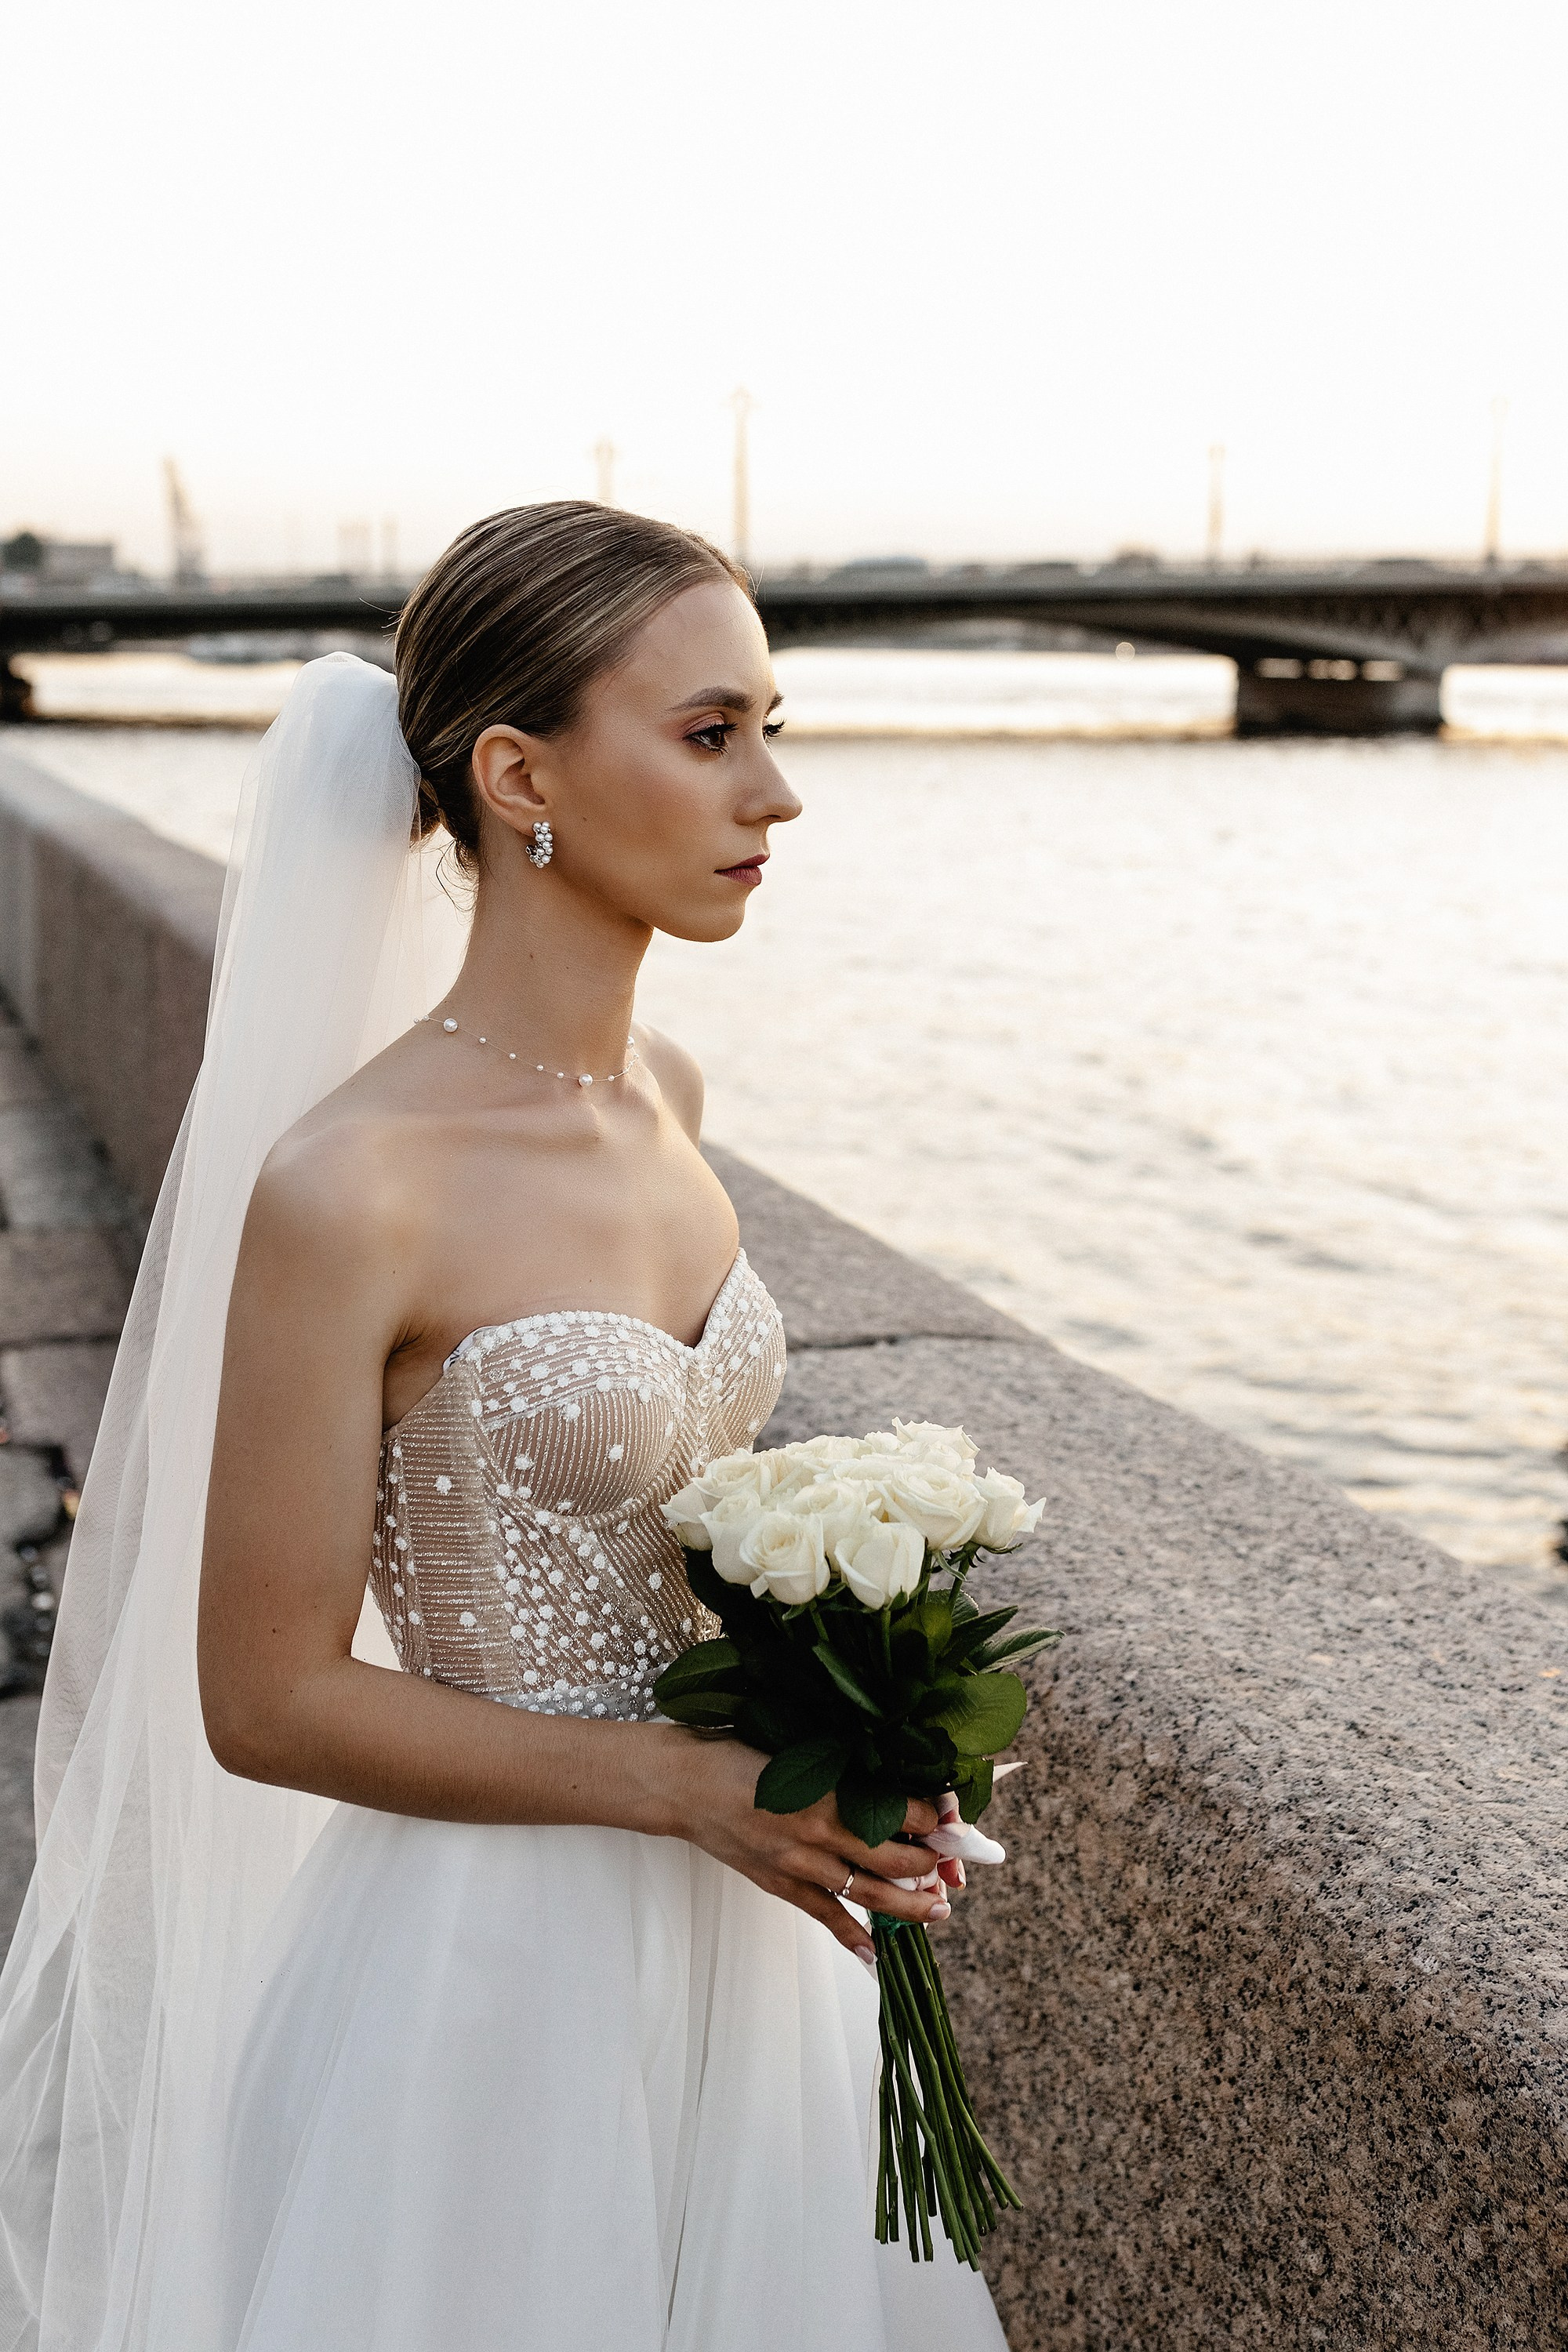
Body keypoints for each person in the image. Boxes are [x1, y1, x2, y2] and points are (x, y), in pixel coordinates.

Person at [0, 503, 1009, 2350]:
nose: (774, 795)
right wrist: (685, 1790)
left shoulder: (671, 1092)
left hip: (755, 1938)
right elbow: (265, 1694)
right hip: (488, 1978)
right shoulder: (349, 1187)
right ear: (519, 772)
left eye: (771, 726)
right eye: (711, 736)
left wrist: (845, 1709)